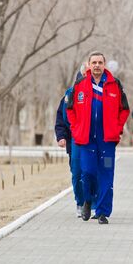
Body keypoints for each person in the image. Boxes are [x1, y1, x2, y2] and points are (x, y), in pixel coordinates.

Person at [66, 52, 130, 224]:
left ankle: (102, 212)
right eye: (94, 62)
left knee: (106, 174)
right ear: (89, 64)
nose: (97, 66)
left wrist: (117, 128)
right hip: (86, 139)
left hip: (107, 141)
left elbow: (124, 109)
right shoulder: (80, 84)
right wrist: (76, 127)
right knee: (87, 172)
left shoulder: (114, 84)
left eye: (100, 62)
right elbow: (70, 109)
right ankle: (87, 199)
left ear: (104, 64)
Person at [55, 81, 85, 218]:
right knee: (77, 173)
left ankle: (94, 202)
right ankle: (80, 202)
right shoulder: (70, 93)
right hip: (75, 140)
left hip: (95, 140)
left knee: (93, 172)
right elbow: (61, 117)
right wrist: (61, 136)